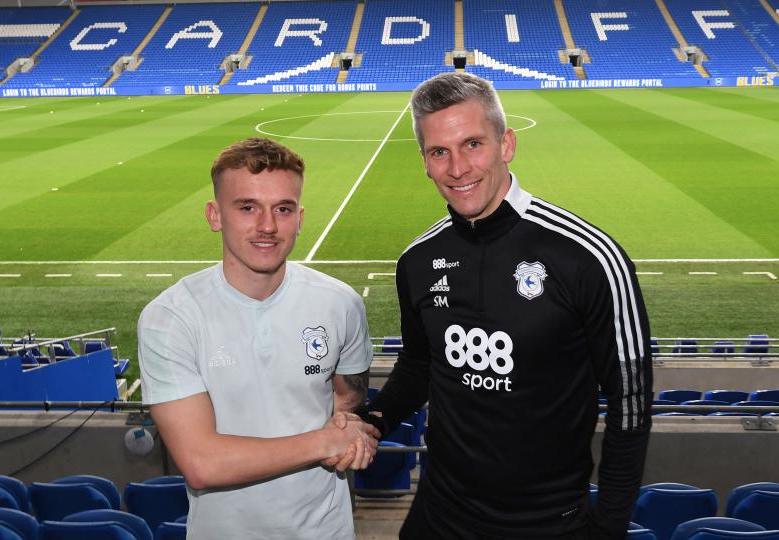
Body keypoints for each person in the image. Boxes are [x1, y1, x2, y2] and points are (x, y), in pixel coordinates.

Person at [357, 73, 653, 539]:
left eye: (472, 143)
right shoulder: (417, 260)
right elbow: (420, 363)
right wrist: (376, 419)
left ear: (506, 144)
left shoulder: (589, 257)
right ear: (425, 163)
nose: (457, 168)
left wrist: (610, 524)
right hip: (440, 514)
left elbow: (630, 400)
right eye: (440, 152)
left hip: (547, 523)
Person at [138, 137, 380, 540]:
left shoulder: (341, 304)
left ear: (300, 218)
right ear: (215, 216)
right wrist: (323, 441)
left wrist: (345, 436)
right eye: (247, 207)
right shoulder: (171, 318)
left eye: (282, 209)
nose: (267, 226)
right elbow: (201, 462)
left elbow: (348, 402)